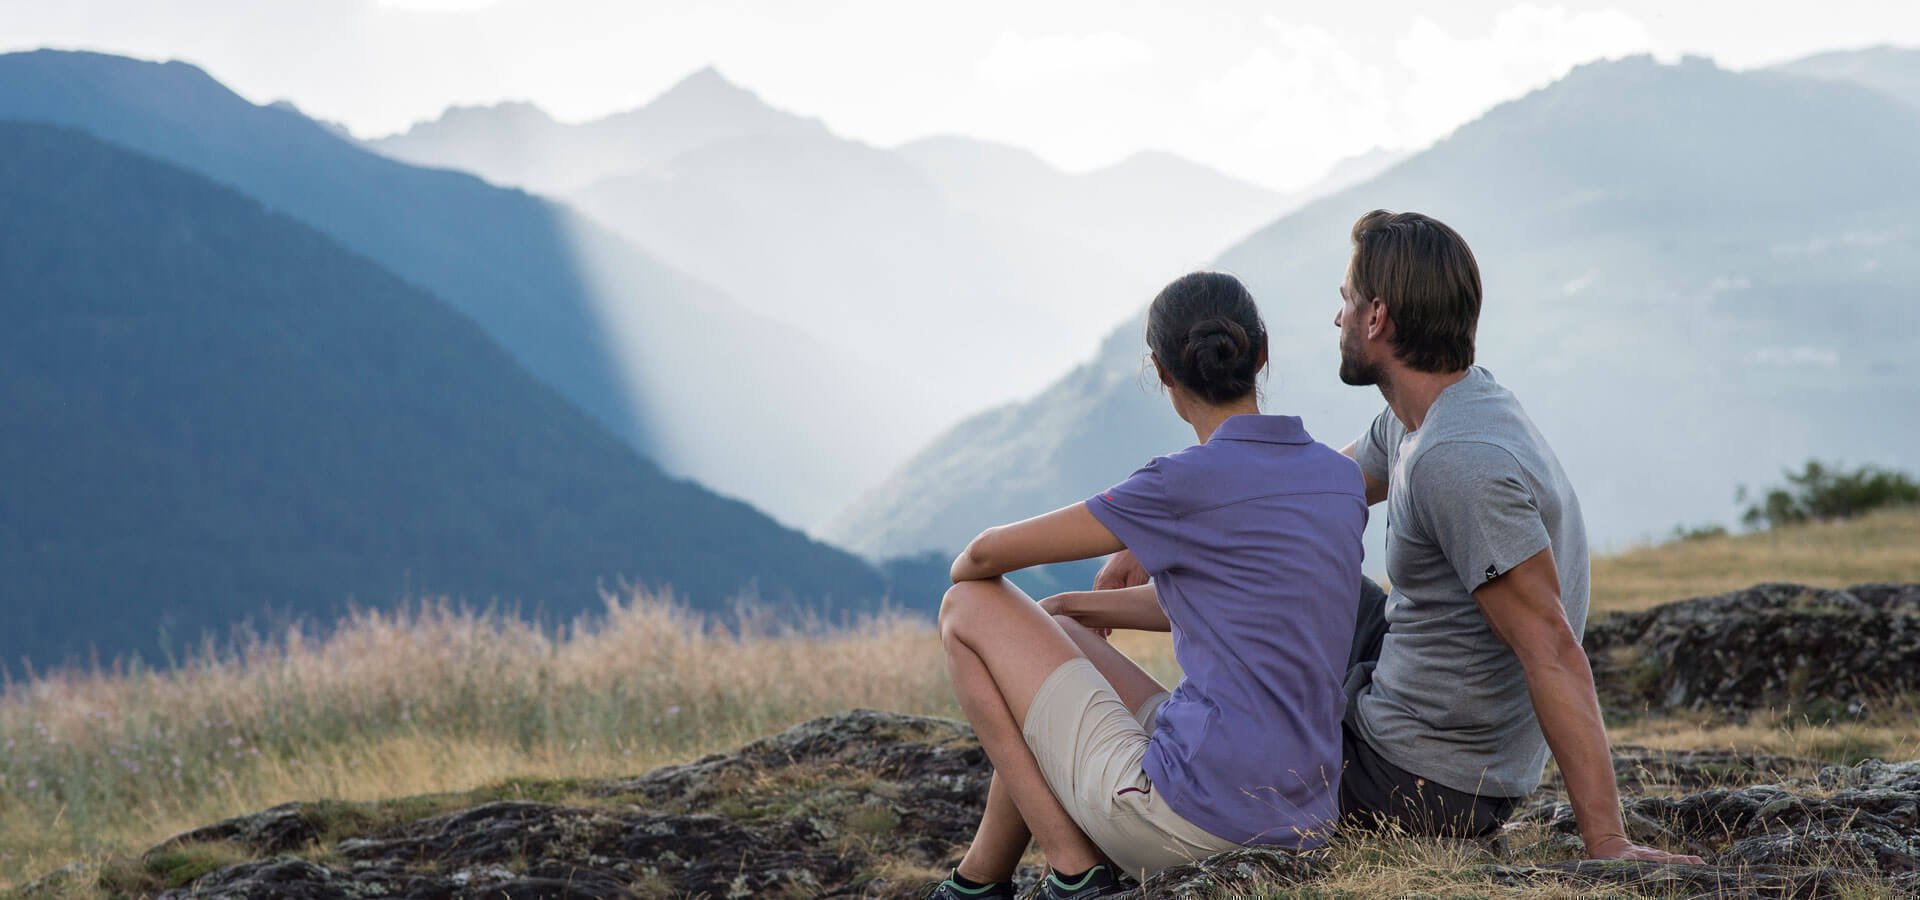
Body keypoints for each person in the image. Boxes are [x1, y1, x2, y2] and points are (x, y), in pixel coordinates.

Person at [1100, 211, 1704, 863]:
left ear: (1377, 319)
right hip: (1416, 701)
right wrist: (1152, 534)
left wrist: (1608, 842)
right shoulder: (1430, 413)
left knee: (1244, 731)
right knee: (1313, 578)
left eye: (1345, 302)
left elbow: (1551, 646)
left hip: (1421, 781)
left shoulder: (1457, 461)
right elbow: (1305, 494)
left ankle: (1190, 738)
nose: (1337, 320)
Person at [929, 272, 1368, 899]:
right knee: (1059, 635)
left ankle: (1074, 872)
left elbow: (979, 558)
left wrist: (1032, 604)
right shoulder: (1339, 479)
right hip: (1302, 814)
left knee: (965, 607)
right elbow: (1241, 600)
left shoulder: (1176, 485)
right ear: (1262, 355)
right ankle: (978, 880)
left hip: (1192, 819)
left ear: (1162, 372)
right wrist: (1071, 610)